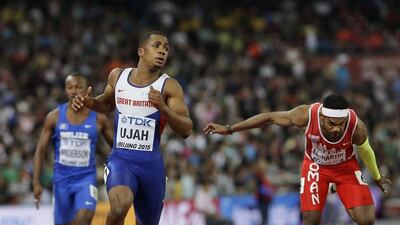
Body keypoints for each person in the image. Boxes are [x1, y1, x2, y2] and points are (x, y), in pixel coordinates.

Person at [203, 94, 391, 225]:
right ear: (322, 116)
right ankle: (333, 187)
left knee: (367, 220)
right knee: (310, 219)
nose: (336, 129)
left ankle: (340, 190)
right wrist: (229, 129)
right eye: (331, 124)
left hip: (345, 168)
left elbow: (366, 150)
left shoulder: (356, 126)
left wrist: (376, 176)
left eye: (340, 125)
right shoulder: (306, 115)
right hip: (316, 167)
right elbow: (269, 118)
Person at [71, 31, 193, 225]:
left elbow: (186, 130)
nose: (163, 51)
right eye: (157, 46)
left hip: (151, 167)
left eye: (166, 48)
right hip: (122, 161)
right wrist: (89, 103)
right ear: (141, 51)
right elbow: (107, 104)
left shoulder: (169, 86)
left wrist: (163, 108)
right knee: (120, 207)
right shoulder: (118, 76)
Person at [33, 73, 113, 225]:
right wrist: (36, 182)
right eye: (69, 87)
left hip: (85, 179)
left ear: (87, 89)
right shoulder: (54, 117)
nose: (74, 91)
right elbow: (40, 150)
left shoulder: (98, 118)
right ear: (65, 90)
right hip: (61, 181)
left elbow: (115, 147)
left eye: (78, 87)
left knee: (84, 219)